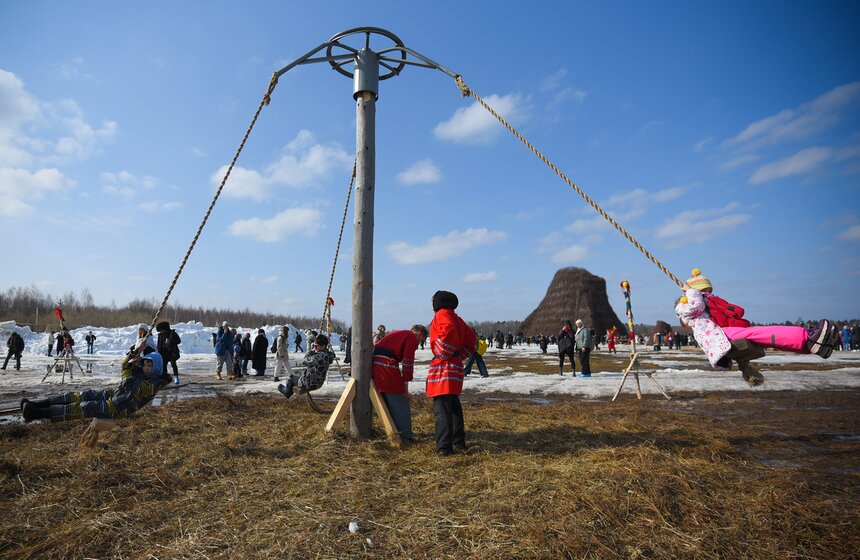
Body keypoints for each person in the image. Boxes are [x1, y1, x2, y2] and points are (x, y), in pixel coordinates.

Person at [676, 274, 839, 386]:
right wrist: (691, 291)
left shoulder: (703, 310)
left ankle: (810, 347)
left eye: (708, 291)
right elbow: (695, 304)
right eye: (703, 292)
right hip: (723, 335)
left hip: (724, 334)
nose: (707, 295)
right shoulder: (686, 307)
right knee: (763, 332)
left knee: (767, 339)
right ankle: (808, 336)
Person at [21, 346, 170, 422]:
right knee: (86, 395)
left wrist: (129, 368)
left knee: (85, 407)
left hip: (119, 408)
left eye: (150, 366)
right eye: (145, 365)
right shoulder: (141, 374)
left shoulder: (154, 384)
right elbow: (125, 366)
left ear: (156, 368)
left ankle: (36, 414)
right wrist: (135, 352)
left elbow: (129, 384)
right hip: (118, 396)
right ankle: (36, 404)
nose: (146, 368)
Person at [426, 290, 476, 457]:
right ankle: (459, 442)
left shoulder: (442, 314)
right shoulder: (458, 318)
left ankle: (444, 447)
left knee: (442, 407)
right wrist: (458, 356)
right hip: (455, 366)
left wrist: (443, 352)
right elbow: (471, 341)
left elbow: (447, 331)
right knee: (453, 405)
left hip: (443, 367)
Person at [370, 324, 428, 442]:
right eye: (420, 341)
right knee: (399, 398)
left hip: (377, 364)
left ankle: (393, 432)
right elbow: (408, 361)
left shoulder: (401, 333)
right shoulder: (411, 337)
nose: (417, 345)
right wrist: (405, 385)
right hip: (386, 365)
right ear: (420, 334)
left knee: (388, 401)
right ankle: (405, 436)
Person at [277, 334, 335, 398]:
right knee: (298, 374)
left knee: (291, 379)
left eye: (316, 346)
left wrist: (311, 352)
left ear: (323, 346)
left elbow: (304, 361)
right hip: (319, 383)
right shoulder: (329, 355)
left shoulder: (317, 357)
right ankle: (289, 391)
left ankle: (287, 392)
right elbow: (332, 354)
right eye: (314, 346)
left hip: (308, 383)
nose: (314, 348)